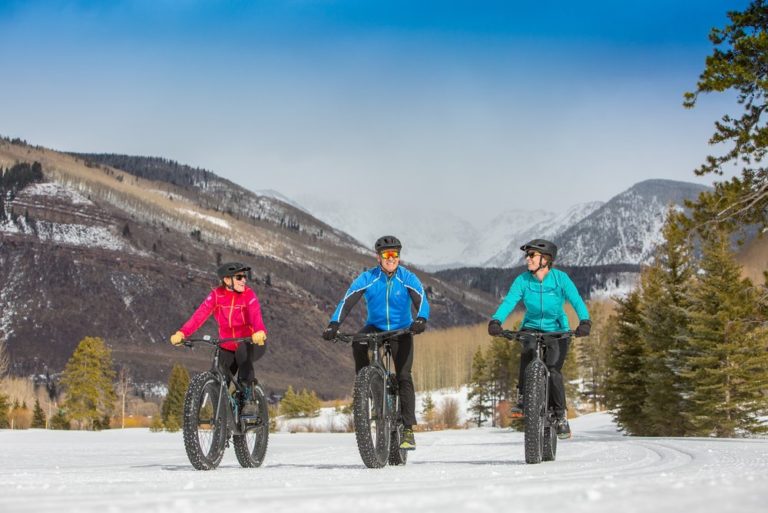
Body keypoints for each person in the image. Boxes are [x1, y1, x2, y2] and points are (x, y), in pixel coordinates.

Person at [322, 235, 429, 450]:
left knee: (404, 376)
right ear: (378, 257)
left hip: (402, 330)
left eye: (395, 255)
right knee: (358, 342)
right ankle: (366, 385)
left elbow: (422, 300)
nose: (391, 258)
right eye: (386, 255)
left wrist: (421, 319)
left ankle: (408, 429)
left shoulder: (407, 278)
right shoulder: (367, 278)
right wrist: (334, 324)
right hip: (376, 327)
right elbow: (347, 301)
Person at [487, 239, 590, 439]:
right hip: (532, 326)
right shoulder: (523, 280)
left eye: (531, 255)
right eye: (528, 255)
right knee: (527, 354)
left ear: (545, 259)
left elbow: (576, 300)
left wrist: (585, 321)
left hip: (557, 328)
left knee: (553, 369)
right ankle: (523, 397)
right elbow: (509, 301)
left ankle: (560, 416)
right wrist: (496, 321)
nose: (527, 259)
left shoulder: (561, 279)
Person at [170, 262, 267, 413]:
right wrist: (182, 333)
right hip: (227, 345)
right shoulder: (217, 295)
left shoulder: (248, 295)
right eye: (239, 277)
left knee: (243, 355)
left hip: (251, 341)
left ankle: (248, 399)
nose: (244, 280)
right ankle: (223, 421)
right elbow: (199, 316)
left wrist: (259, 331)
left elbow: (256, 315)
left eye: (245, 277)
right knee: (221, 378)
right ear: (227, 280)